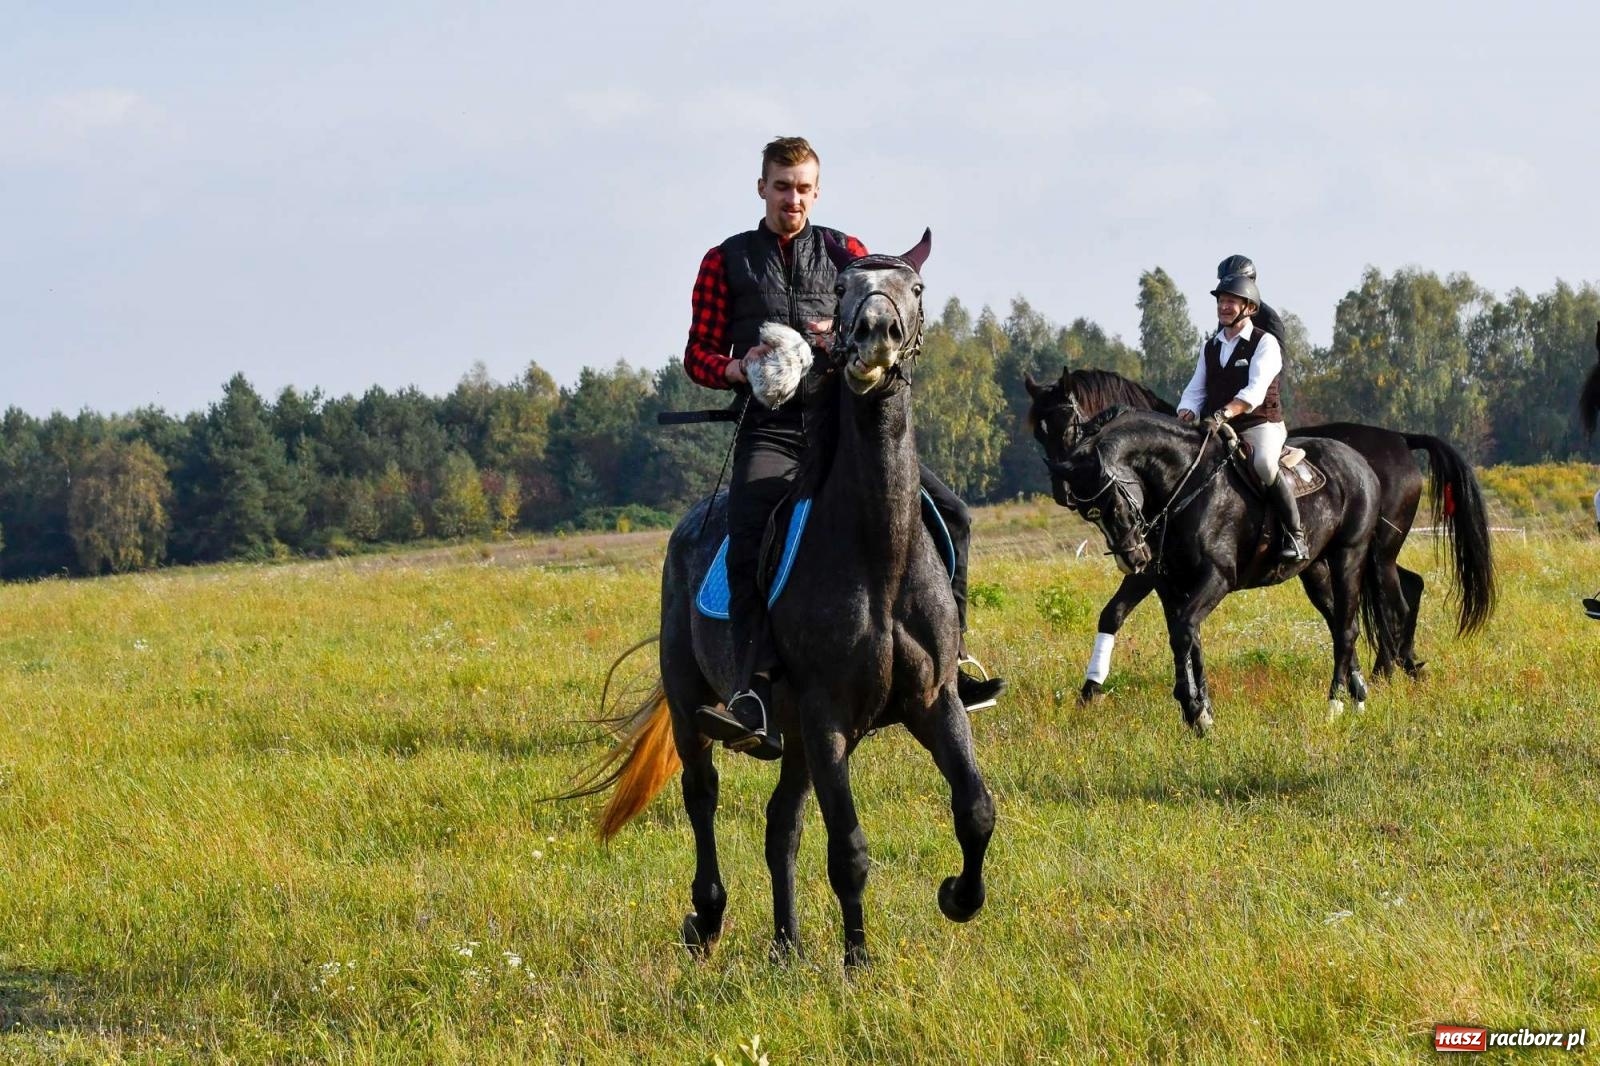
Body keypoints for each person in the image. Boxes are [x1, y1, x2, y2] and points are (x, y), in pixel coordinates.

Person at [683, 135, 1004, 759]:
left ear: (817, 191)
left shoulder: (847, 255)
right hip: (773, 430)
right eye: (782, 187)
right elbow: (698, 354)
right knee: (747, 536)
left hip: (846, 427)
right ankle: (754, 690)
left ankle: (951, 661)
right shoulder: (724, 261)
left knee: (955, 514)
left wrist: (836, 332)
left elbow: (875, 316)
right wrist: (740, 367)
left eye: (803, 188)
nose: (792, 199)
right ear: (761, 188)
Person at [1176, 260, 1307, 561]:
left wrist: (1222, 414)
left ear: (1249, 308)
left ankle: (1296, 534)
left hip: (1260, 424)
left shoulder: (1266, 343)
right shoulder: (1210, 346)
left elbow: (1254, 393)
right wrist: (1185, 413)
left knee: (1264, 464)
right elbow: (1195, 390)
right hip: (1220, 426)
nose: (1224, 307)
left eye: (1231, 302)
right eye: (1221, 301)